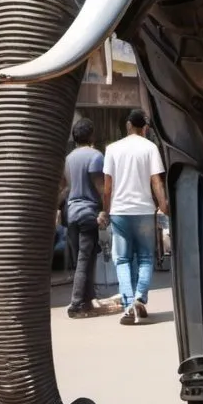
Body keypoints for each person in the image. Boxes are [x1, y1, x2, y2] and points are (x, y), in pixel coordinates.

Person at [99, 109, 167, 325]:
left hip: (119, 211)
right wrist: (163, 205)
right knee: (146, 257)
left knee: (123, 259)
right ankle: (140, 297)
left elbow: (107, 187)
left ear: (128, 125)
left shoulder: (112, 149)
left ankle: (128, 304)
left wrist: (106, 209)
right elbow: (156, 180)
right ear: (144, 127)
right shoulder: (150, 148)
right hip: (144, 210)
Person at [62, 118, 120, 318]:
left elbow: (65, 187)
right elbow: (101, 187)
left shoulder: (68, 158)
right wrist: (106, 209)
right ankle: (76, 304)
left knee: (82, 260)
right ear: (91, 135)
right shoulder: (95, 156)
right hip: (88, 213)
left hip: (71, 214)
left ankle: (86, 301)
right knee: (84, 260)